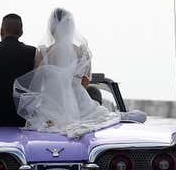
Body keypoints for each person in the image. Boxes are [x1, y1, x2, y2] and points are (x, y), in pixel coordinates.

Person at [13, 8, 120, 137]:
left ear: (52, 29)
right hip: (81, 104)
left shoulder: (43, 52)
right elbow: (85, 83)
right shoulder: (83, 52)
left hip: (50, 105)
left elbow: (37, 85)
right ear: (71, 28)